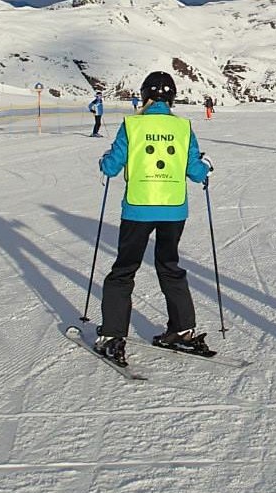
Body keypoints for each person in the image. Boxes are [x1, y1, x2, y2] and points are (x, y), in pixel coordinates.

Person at [94, 71, 214, 367]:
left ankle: (112, 335)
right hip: (173, 210)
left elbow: (110, 167)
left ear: (146, 95)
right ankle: (183, 329)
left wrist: (105, 159)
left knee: (124, 269)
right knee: (169, 266)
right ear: (171, 98)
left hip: (138, 208)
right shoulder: (183, 127)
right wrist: (206, 167)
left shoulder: (132, 125)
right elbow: (197, 171)